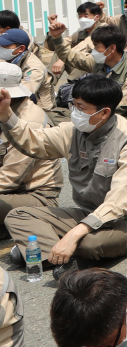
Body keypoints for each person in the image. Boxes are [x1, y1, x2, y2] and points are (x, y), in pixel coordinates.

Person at [1, 75, 127, 279]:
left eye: (81, 108)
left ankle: (50, 250)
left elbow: (120, 202)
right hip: (88, 213)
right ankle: (59, 256)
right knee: (18, 216)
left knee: (89, 242)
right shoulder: (73, 131)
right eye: (73, 105)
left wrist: (74, 234)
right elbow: (35, 140)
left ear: (104, 113)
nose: (75, 113)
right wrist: (6, 115)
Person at [48, 22, 127, 127]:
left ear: (112, 48)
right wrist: (57, 37)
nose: (94, 51)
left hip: (123, 119)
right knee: (55, 114)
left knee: (76, 125)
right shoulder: (99, 62)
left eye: (96, 46)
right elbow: (70, 56)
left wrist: (87, 115)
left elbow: (120, 106)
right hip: (96, 112)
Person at [0, 62, 57, 239]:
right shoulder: (6, 110)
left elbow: (10, 177)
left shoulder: (28, 121)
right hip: (12, 190)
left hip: (35, 194)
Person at [0, 28, 52, 111]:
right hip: (17, 104)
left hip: (38, 109)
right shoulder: (10, 58)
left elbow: (22, 93)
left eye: (5, 46)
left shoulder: (34, 68)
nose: (1, 48)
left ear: (21, 49)